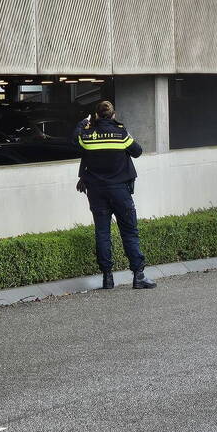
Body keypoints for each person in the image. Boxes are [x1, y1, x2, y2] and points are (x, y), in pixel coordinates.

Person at [74, 101, 156, 290]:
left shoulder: (87, 135)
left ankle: (107, 278)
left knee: (102, 233)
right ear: (113, 115)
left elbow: (75, 141)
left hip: (96, 192)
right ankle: (139, 276)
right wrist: (125, 134)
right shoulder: (121, 134)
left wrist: (81, 124)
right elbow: (137, 152)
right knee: (129, 232)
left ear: (95, 116)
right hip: (120, 191)